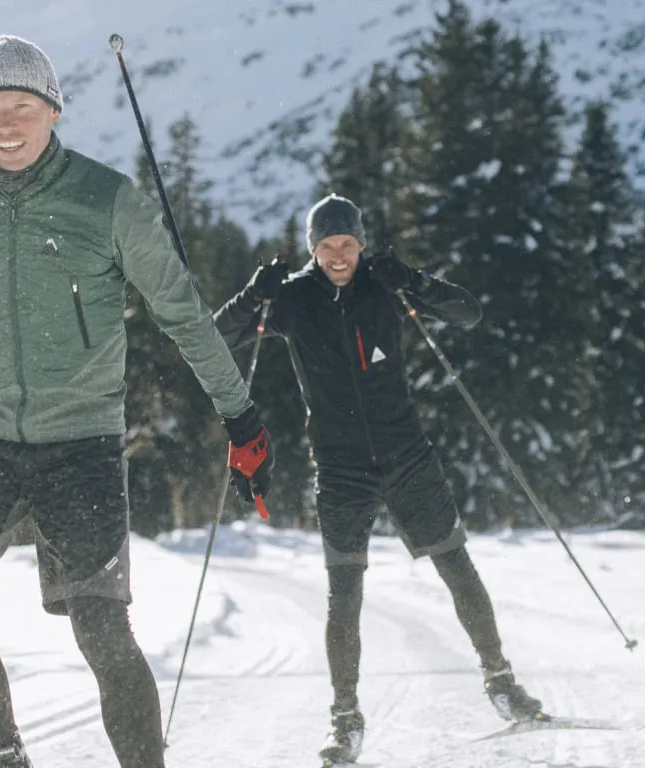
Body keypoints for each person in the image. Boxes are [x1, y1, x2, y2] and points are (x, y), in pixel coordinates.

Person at [0, 34, 272, 768]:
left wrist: (240, 417)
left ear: (54, 110)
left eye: (22, 106)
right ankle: (2, 756)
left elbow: (182, 313)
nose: (7, 124)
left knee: (102, 632)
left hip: (81, 445)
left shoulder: (106, 200)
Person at [212, 194, 544, 766]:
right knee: (344, 594)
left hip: (408, 456)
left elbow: (468, 313)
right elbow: (213, 339)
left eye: (348, 244)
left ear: (362, 245)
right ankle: (345, 721)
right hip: (340, 469)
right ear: (312, 249)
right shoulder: (291, 298)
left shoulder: (385, 285)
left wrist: (413, 279)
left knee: (457, 568)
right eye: (327, 246)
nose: (339, 255)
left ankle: (501, 682)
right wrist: (252, 294)